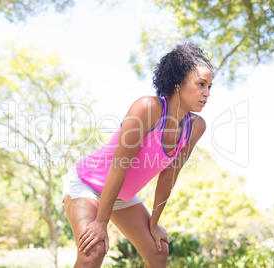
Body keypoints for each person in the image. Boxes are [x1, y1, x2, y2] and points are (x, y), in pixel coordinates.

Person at [62, 41, 215, 268]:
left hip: (122, 194)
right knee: (94, 250)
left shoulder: (196, 126)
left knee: (158, 251)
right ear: (178, 83)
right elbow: (119, 165)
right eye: (201, 84)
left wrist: (154, 223)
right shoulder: (147, 108)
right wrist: (101, 222)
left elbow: (168, 177)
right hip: (88, 184)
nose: (207, 93)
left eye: (210, 87)